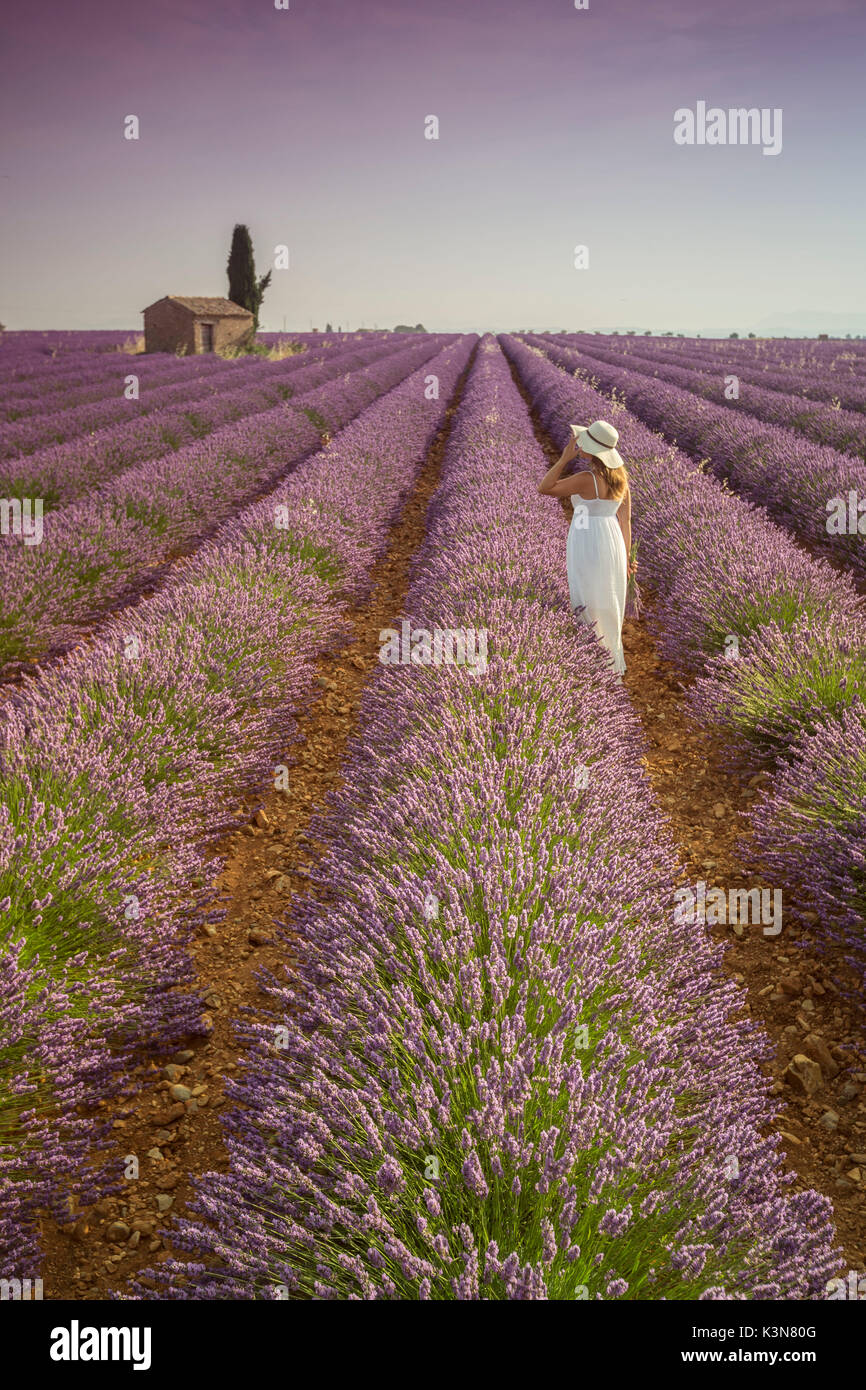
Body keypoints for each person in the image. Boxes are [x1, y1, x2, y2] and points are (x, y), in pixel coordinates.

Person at [538, 419, 634, 678]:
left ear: (594, 451)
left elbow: (545, 487)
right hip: (612, 539)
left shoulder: (585, 479)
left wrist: (563, 459)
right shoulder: (621, 479)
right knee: (609, 600)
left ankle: (592, 664)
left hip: (588, 540)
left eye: (583, 443)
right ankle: (610, 664)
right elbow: (625, 522)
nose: (579, 446)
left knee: (586, 599)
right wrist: (625, 559)